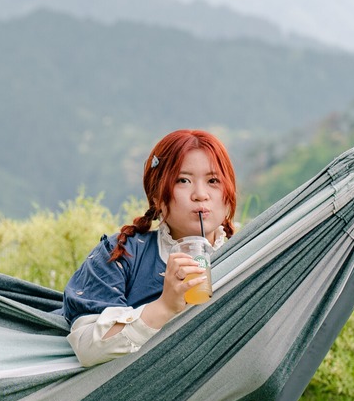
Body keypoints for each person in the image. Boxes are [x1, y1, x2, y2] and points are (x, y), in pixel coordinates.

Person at [62, 130, 237, 367]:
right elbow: (86, 347)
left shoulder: (247, 253)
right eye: (182, 180)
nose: (200, 195)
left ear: (228, 194)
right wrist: (164, 306)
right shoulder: (122, 252)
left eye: (213, 181)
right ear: (157, 197)